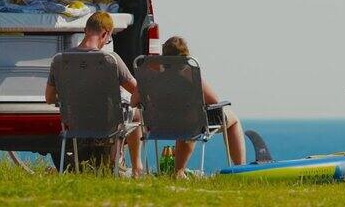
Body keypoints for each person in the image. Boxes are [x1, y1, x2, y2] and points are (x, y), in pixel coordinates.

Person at [45, 11, 144, 176]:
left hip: (77, 123)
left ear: (85, 30)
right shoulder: (110, 60)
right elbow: (138, 91)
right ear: (105, 34)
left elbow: (49, 98)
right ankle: (136, 168)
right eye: (109, 39)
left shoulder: (60, 60)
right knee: (136, 114)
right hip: (107, 123)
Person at [156, 36, 247, 178]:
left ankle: (178, 171)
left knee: (184, 121)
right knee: (232, 119)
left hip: (159, 123)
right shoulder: (188, 73)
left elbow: (135, 100)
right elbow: (213, 99)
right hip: (190, 123)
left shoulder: (153, 74)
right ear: (185, 56)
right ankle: (240, 169)